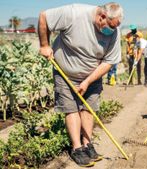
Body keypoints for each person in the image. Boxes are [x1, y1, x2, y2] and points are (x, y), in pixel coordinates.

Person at [38, 2, 123, 167]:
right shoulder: (74, 13)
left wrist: (88, 81)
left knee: (88, 108)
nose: (111, 31)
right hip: (65, 72)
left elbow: (109, 61)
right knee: (71, 108)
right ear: (102, 16)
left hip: (92, 75)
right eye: (109, 27)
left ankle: (87, 144)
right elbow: (44, 17)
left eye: (114, 28)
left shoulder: (114, 31)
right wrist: (44, 45)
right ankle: (77, 148)